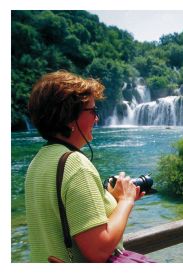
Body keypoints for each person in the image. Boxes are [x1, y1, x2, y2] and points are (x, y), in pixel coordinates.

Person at [25, 70, 144, 262]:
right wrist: (126, 200)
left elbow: (61, 216)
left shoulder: (38, 162)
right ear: (70, 117)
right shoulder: (76, 165)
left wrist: (110, 199)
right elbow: (98, 250)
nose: (97, 118)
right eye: (93, 111)